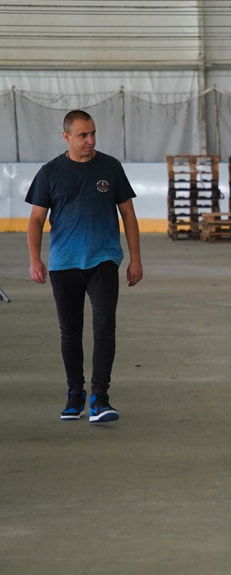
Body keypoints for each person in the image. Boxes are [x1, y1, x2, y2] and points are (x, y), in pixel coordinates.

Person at [26, 109, 143, 423]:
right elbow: (36, 220)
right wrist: (35, 259)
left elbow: (128, 215)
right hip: (64, 264)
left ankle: (100, 398)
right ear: (66, 137)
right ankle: (74, 394)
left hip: (103, 260)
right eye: (82, 135)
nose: (90, 140)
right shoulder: (50, 173)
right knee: (70, 331)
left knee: (104, 328)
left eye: (92, 134)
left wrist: (135, 258)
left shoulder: (110, 167)